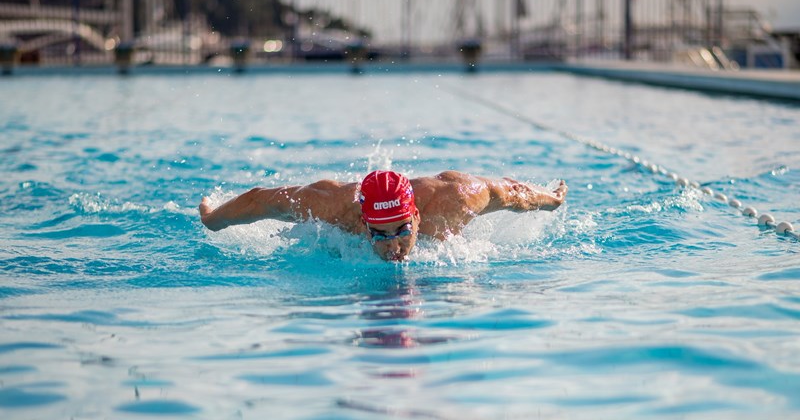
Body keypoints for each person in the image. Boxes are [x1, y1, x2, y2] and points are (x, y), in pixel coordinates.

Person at [199, 170, 568, 262]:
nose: (394, 247)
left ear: (418, 216)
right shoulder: (333, 208)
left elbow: (511, 192)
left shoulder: (455, 200)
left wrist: (551, 199)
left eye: (402, 231)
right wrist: (212, 218)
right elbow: (261, 201)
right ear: (363, 224)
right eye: (380, 234)